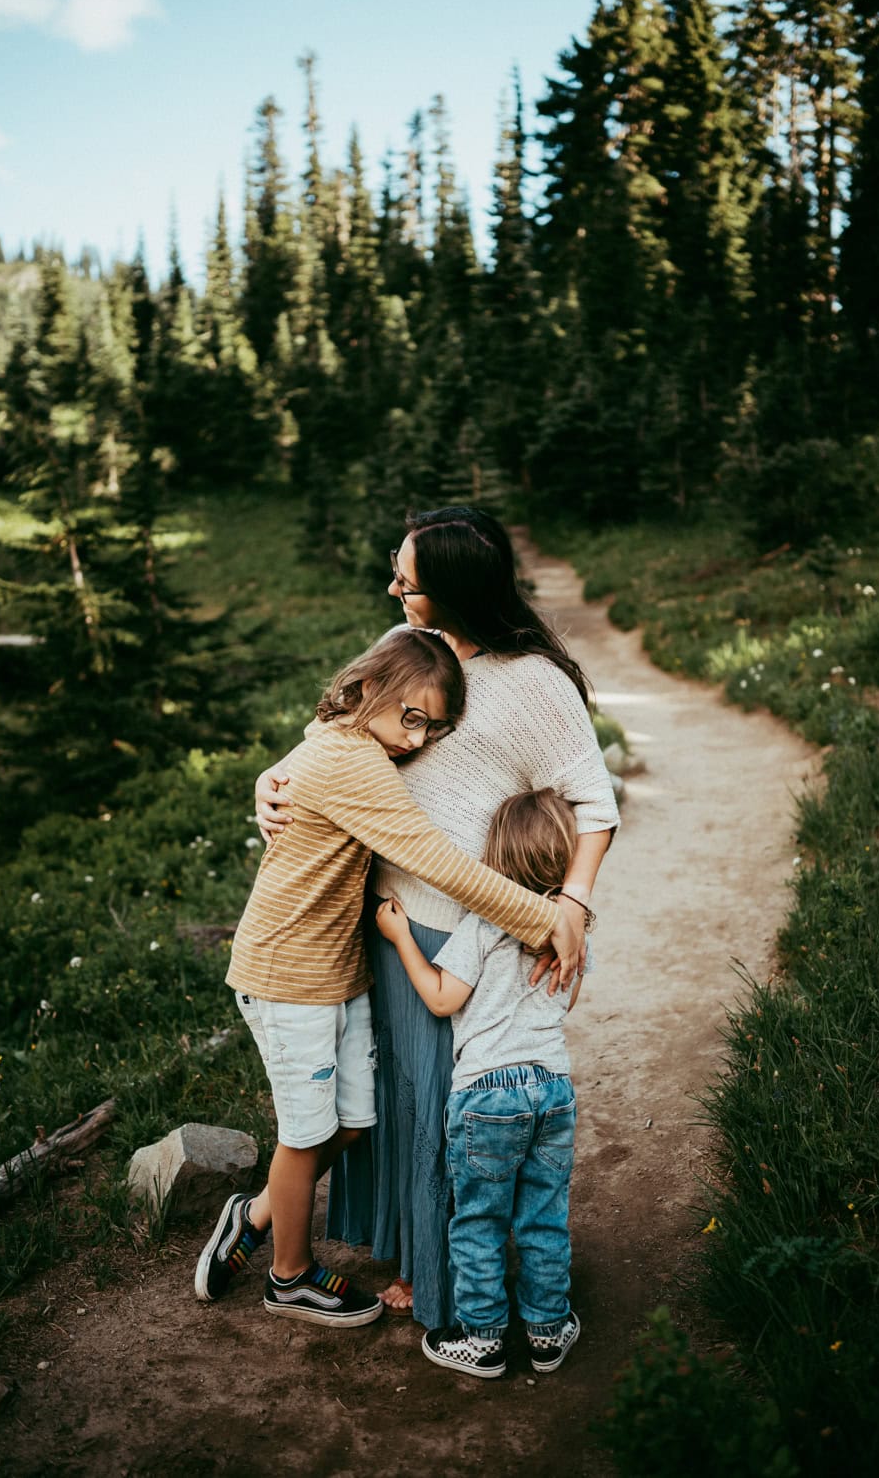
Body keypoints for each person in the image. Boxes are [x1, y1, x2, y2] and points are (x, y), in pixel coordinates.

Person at [256, 506, 618, 1326]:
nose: (393, 586)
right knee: (395, 1102)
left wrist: (569, 904)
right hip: (381, 923)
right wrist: (267, 780)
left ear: (451, 590)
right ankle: (409, 1251)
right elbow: (327, 733)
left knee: (456, 1110)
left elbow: (596, 804)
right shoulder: (407, 651)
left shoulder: (532, 682)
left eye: (407, 578)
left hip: (468, 931)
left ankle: (449, 1280)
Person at [194, 628, 577, 1327]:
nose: (417, 739)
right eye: (411, 717)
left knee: (351, 1124)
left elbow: (327, 727)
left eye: (433, 726)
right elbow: (437, 859)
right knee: (307, 1136)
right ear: (369, 689)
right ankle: (288, 1276)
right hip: (287, 973)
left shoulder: (355, 740)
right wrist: (546, 918)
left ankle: (250, 1216)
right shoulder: (351, 763)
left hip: (337, 972)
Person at [375, 788, 590, 1379]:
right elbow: (565, 998)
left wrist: (400, 940)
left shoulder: (483, 923)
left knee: (479, 1220)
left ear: (494, 860)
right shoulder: (571, 931)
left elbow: (443, 1000)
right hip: (551, 1088)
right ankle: (548, 1332)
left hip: (486, 1094)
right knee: (543, 1215)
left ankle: (483, 1339)